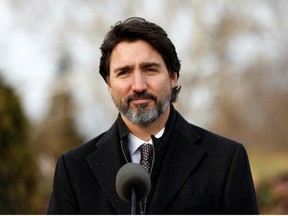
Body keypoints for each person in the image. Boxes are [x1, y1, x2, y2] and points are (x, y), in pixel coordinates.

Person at [47, 17, 258, 214]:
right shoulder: (74, 170)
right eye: (124, 72)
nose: (138, 86)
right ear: (109, 85)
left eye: (150, 69)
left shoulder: (226, 160)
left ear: (173, 76)